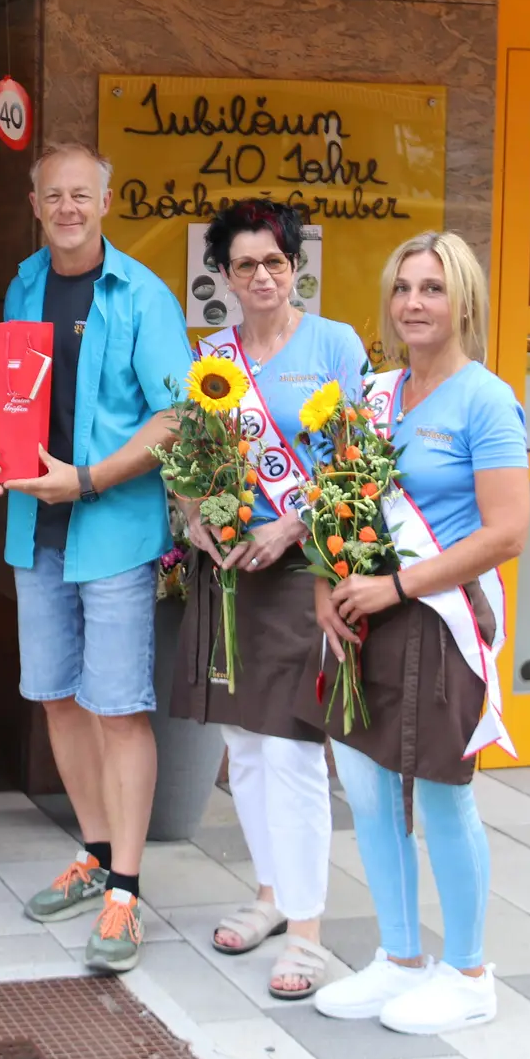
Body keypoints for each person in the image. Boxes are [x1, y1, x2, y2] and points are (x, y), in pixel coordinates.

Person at [309, 231, 529, 1034]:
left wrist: (397, 584)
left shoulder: (486, 400)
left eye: (432, 288)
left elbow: (507, 531)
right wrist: (327, 586)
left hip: (440, 621)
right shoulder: (372, 395)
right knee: (367, 788)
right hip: (364, 618)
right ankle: (400, 956)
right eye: (403, 288)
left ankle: (467, 973)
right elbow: (336, 503)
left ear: (462, 299)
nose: (414, 303)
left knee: (442, 790)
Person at [0, 141, 193, 974]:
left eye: (82, 194)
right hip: (35, 528)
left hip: (112, 532)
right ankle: (97, 853)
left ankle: (126, 892)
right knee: (57, 697)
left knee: (117, 707)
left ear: (106, 202)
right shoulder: (24, 284)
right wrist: (8, 454)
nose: (67, 208)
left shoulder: (143, 295)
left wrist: (90, 478)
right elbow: (18, 395)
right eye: (53, 195)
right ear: (35, 203)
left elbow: (177, 415)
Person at [172, 200, 369, 999]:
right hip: (230, 573)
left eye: (275, 263)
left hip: (302, 571)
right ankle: (271, 893)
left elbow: (359, 460)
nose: (262, 276)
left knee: (290, 747)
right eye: (245, 264)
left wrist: (292, 526)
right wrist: (196, 518)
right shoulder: (210, 358)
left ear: (296, 268)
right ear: (223, 274)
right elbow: (190, 463)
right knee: (244, 746)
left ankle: (308, 930)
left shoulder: (335, 345)